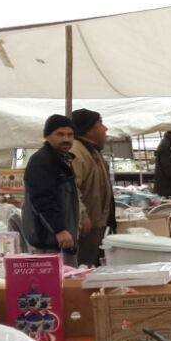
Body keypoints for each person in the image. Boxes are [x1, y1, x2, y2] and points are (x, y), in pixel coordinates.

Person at [21, 115, 79, 263]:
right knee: (51, 282)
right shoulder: (42, 161)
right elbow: (43, 199)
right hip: (47, 238)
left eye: (70, 135)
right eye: (60, 134)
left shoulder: (63, 159)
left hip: (60, 237)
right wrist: (59, 229)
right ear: (47, 136)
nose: (66, 139)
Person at [69, 108, 115, 266]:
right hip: (86, 227)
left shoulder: (92, 151)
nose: (105, 128)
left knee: (91, 265)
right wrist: (82, 216)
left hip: (96, 225)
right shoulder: (76, 152)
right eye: (100, 123)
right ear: (89, 129)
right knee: (83, 267)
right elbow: (72, 188)